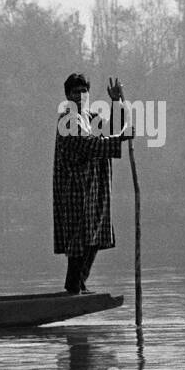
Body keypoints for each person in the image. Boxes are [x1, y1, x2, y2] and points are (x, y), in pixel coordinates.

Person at [54, 73, 133, 294]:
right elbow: (86, 145)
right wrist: (119, 140)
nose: (80, 96)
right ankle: (73, 286)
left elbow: (114, 127)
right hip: (75, 189)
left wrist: (116, 101)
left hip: (95, 189)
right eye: (76, 92)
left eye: (84, 91)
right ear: (68, 96)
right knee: (79, 239)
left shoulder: (90, 118)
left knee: (95, 236)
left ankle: (79, 284)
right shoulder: (68, 120)